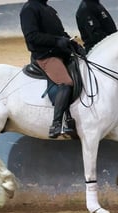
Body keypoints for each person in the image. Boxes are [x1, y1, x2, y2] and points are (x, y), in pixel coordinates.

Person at [20, 0, 85, 139]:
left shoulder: (48, 9)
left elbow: (61, 33)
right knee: (66, 82)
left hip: (60, 52)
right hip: (45, 55)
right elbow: (32, 36)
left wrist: (73, 45)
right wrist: (56, 41)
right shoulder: (29, 9)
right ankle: (57, 124)